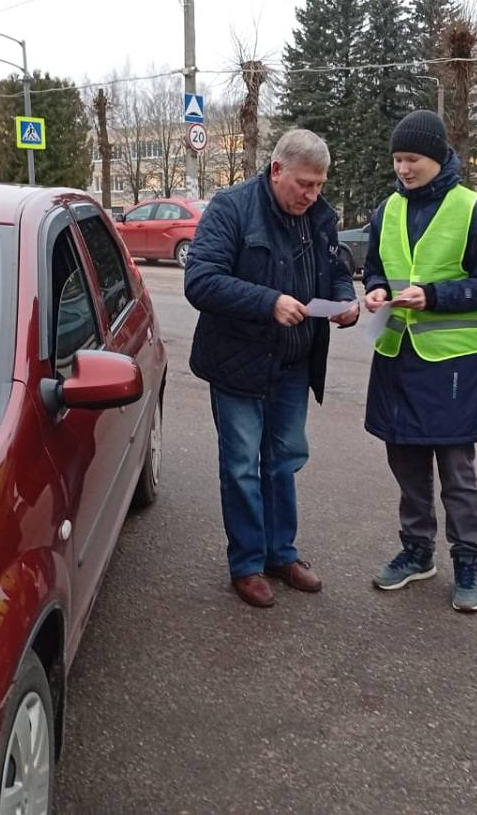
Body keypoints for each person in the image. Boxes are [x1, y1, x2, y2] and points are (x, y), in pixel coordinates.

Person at [185, 129, 358, 608]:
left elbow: (338, 268)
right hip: (238, 363)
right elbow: (201, 281)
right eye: (304, 184)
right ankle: (246, 564)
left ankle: (282, 552)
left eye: (320, 185)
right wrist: (269, 302)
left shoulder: (318, 217)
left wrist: (345, 300)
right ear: (277, 170)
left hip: (293, 364)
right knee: (242, 466)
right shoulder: (232, 208)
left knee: (283, 460)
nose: (312, 195)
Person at [364, 110, 477, 612]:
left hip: (449, 364)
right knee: (405, 463)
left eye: (413, 159)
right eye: (398, 159)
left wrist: (434, 295)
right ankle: (417, 552)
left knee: (456, 473)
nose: (403, 168)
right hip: (395, 357)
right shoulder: (387, 209)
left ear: (439, 156)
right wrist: (376, 289)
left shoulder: (470, 208)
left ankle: (466, 562)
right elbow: (375, 268)